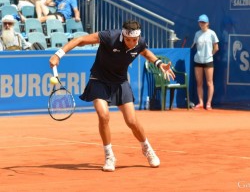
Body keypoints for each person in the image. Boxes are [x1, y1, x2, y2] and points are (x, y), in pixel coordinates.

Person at [49, 20, 175, 172]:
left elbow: (146, 52)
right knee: (104, 116)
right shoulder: (110, 36)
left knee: (132, 121)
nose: (131, 43)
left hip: (120, 82)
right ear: (123, 35)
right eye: (128, 40)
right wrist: (58, 54)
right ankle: (109, 156)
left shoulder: (139, 42)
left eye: (134, 40)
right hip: (99, 80)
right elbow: (80, 40)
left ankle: (147, 148)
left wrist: (159, 63)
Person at [191, 14, 219, 110]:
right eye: (200, 22)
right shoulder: (197, 34)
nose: (201, 24)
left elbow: (216, 48)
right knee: (199, 83)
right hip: (198, 60)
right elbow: (194, 45)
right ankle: (201, 102)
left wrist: (210, 55)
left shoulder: (212, 33)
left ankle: (208, 103)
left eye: (203, 22)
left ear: (207, 23)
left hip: (208, 61)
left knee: (209, 82)